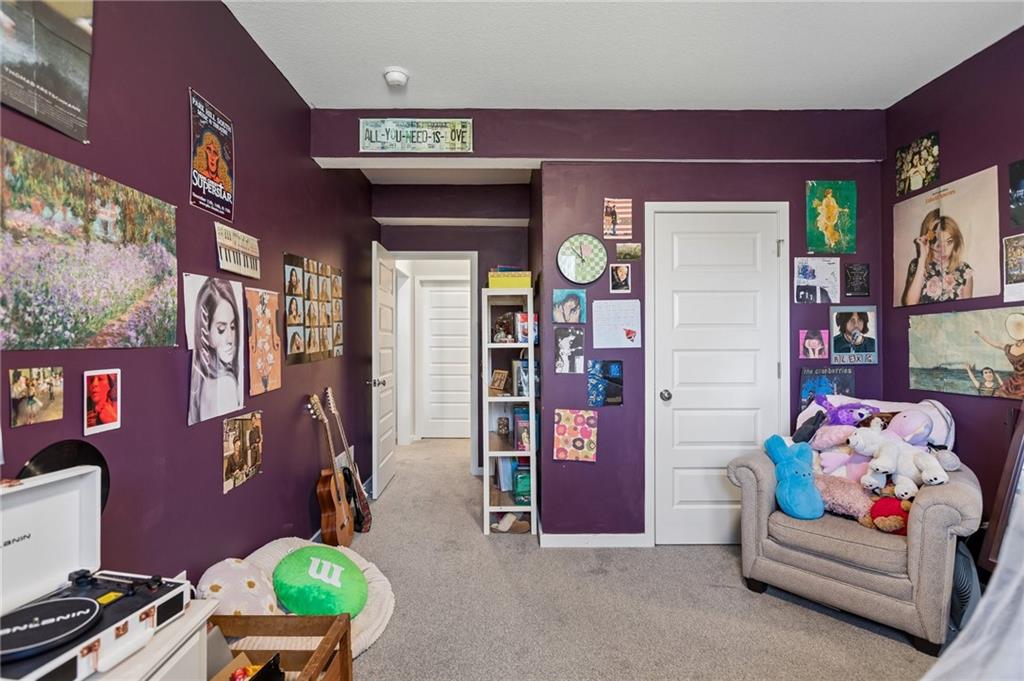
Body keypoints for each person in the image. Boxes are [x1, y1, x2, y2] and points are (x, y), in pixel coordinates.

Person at [188, 278, 242, 425]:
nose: (230, 338)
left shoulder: (201, 382)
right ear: (206, 333)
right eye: (221, 329)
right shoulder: (225, 383)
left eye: (233, 327)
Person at [901, 209, 974, 306]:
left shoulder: (964, 271)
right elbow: (910, 304)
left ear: (956, 242)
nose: (943, 250)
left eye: (949, 242)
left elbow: (968, 310)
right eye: (937, 242)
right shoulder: (917, 265)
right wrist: (922, 259)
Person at [974, 314, 1024, 398]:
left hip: (1012, 384)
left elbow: (995, 343)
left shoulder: (1008, 348)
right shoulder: (1008, 347)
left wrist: (981, 336)